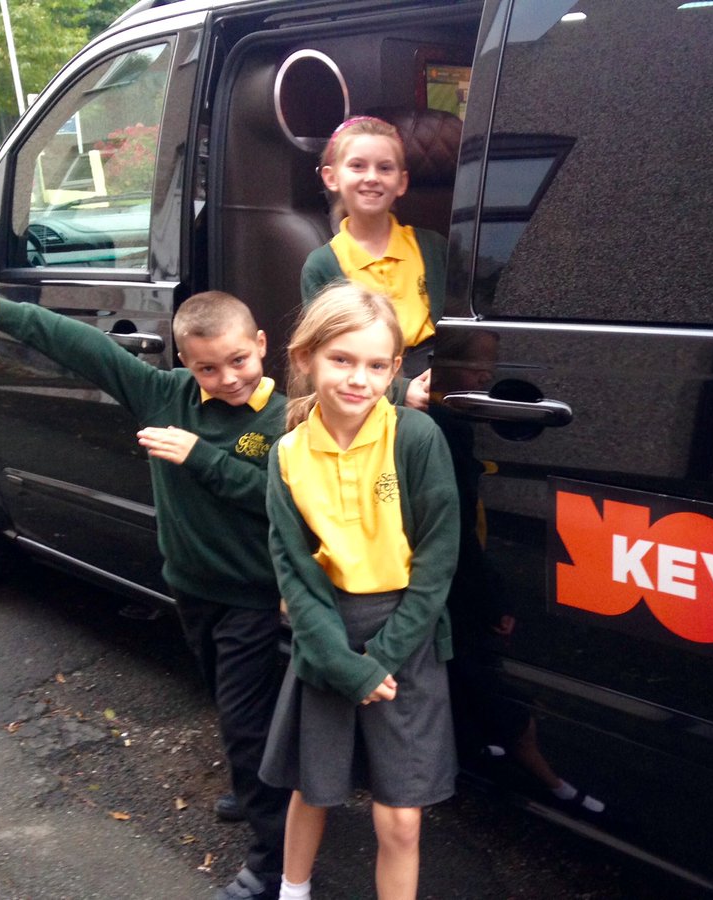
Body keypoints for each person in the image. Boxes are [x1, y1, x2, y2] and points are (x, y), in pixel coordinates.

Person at [0, 278, 289, 900]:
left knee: (249, 721)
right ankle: (249, 787)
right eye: (207, 368)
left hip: (252, 596)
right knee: (226, 699)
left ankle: (272, 860)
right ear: (184, 363)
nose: (228, 378)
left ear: (260, 344)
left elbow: (278, 499)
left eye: (239, 361)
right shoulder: (163, 395)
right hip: (191, 589)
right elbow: (79, 345)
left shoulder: (281, 418)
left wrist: (199, 455)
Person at [259, 282, 459, 900]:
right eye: (341, 359)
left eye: (376, 365)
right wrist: (343, 665)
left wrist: (380, 661)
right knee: (312, 786)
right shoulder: (288, 454)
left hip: (406, 636)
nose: (358, 379)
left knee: (400, 815)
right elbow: (295, 570)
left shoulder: (415, 439)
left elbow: (437, 560)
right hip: (326, 637)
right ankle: (293, 890)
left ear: (397, 369)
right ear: (305, 359)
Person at [299, 115, 446, 411]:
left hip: (440, 380)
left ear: (401, 182)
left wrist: (447, 372)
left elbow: (464, 330)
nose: (371, 177)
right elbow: (328, 354)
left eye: (385, 167)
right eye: (357, 166)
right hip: (368, 390)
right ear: (332, 177)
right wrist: (399, 390)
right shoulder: (323, 265)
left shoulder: (433, 246)